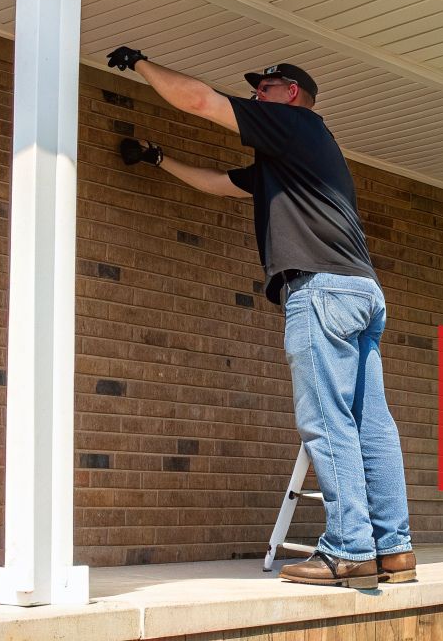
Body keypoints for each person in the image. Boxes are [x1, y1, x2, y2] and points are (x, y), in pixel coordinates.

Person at [106, 45, 414, 589]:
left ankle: (348, 549)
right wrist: (160, 161)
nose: (254, 97)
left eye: (262, 89)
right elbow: (219, 183)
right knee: (372, 425)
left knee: (328, 420)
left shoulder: (294, 125)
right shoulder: (293, 160)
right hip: (360, 291)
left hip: (319, 289)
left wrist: (144, 64)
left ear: (289, 94)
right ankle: (393, 549)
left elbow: (201, 101)